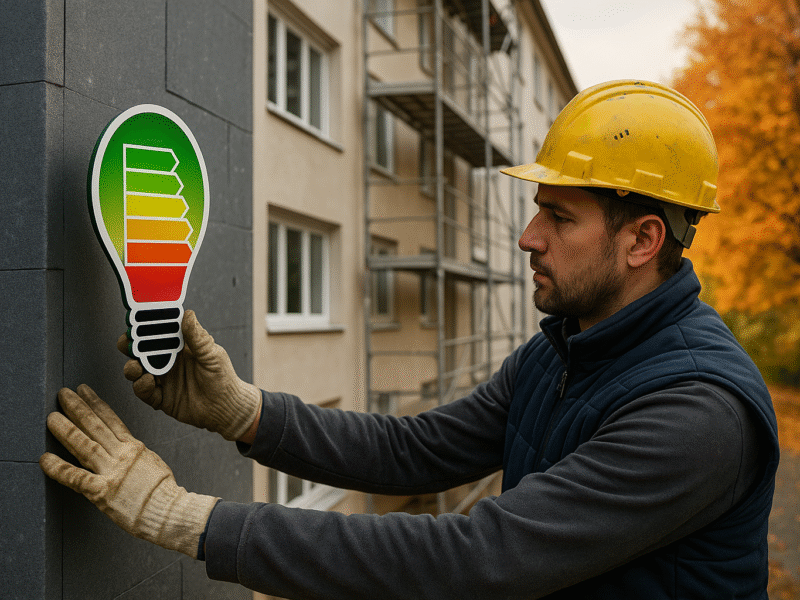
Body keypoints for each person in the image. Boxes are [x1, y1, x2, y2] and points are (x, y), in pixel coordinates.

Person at [40, 80, 779, 599]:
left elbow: (480, 558)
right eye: (537, 211)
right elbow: (416, 451)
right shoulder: (567, 347)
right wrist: (246, 411)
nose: (528, 237)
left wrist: (185, 518)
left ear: (643, 239)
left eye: (559, 216)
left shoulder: (695, 413)